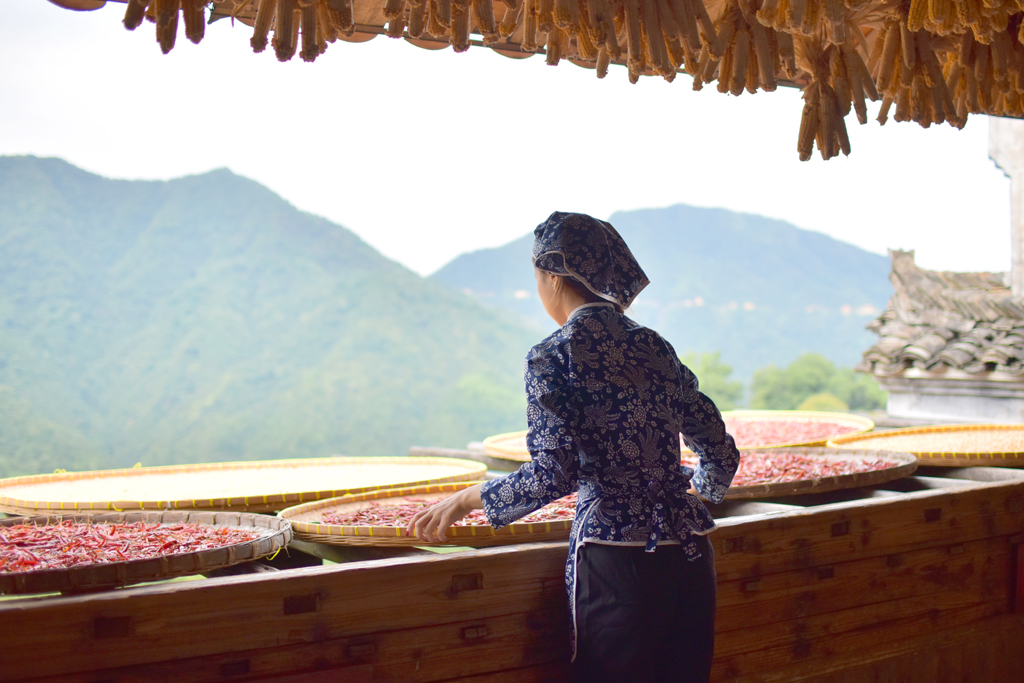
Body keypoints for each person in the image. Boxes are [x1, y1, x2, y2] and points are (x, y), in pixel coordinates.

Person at [406, 211, 740, 683]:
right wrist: (697, 496)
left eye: (537, 277)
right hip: (688, 557)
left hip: (617, 563)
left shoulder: (552, 356)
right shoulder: (653, 346)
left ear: (554, 277)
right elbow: (720, 450)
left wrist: (467, 499)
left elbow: (553, 472)